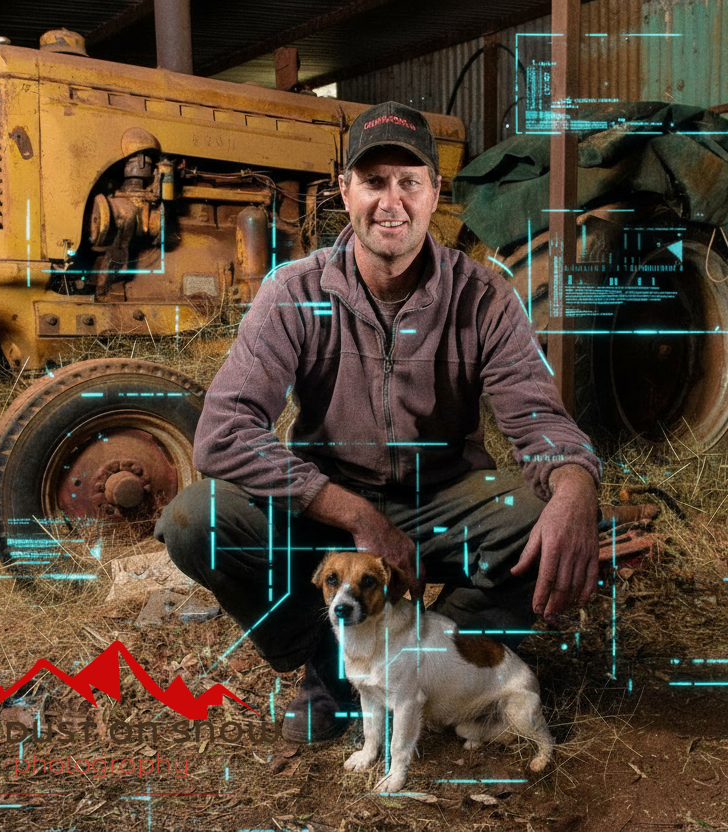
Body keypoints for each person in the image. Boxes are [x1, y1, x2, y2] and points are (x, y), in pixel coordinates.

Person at [155, 101, 601, 743]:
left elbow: (538, 420)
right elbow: (223, 433)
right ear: (344, 191)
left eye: (409, 182)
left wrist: (577, 484)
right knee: (196, 520)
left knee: (547, 519)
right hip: (328, 503)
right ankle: (331, 663)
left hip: (443, 494)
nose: (391, 202)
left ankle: (440, 663)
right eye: (373, 181)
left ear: (434, 193)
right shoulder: (294, 293)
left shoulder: (482, 298)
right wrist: (356, 516)